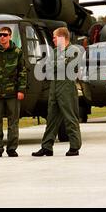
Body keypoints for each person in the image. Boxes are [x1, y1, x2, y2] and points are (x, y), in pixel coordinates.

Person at [32, 27, 82, 157]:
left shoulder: (74, 51)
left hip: (67, 88)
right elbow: (47, 69)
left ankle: (74, 146)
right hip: (54, 88)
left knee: (70, 117)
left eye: (54, 37)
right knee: (51, 119)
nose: (53, 39)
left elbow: (70, 68)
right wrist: (60, 63)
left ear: (61, 37)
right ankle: (47, 146)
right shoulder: (54, 52)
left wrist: (57, 64)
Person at [0, 26, 26, 158]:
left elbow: (22, 72)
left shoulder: (17, 52)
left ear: (10, 36)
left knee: (13, 122)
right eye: (0, 35)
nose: (2, 37)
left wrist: (21, 90)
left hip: (13, 93)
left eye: (5, 35)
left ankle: (12, 148)